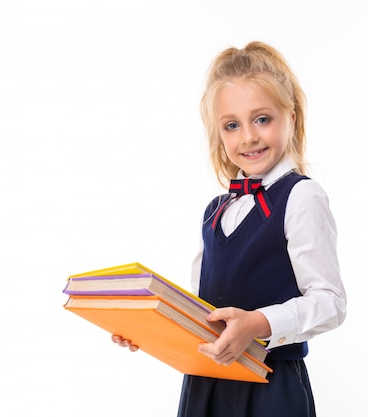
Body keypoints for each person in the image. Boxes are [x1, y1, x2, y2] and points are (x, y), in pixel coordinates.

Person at [115, 41, 347, 417]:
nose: (248, 137)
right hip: (205, 385)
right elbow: (202, 312)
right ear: (219, 134)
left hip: (268, 387)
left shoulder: (301, 196)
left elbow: (331, 303)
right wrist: (148, 330)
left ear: (292, 117)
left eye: (262, 119)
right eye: (232, 125)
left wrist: (257, 323)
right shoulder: (215, 211)